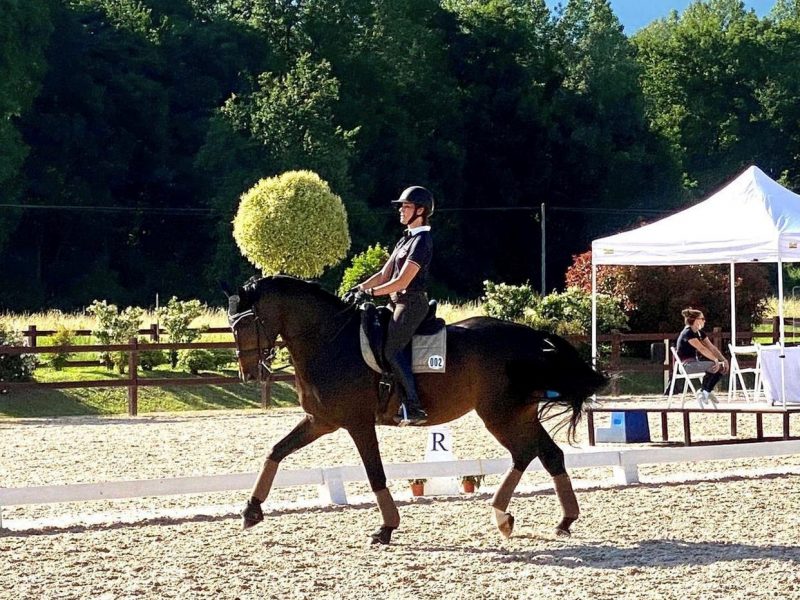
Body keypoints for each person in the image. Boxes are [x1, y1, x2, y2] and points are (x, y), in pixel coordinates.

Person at [355, 186, 434, 426]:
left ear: (420, 211)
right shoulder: (405, 240)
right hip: (396, 302)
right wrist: (359, 288)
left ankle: (414, 406)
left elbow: (402, 282)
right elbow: (384, 274)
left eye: (406, 206)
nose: (401, 210)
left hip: (411, 304)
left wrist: (372, 293)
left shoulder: (422, 241)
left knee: (391, 350)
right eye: (401, 206)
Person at [675, 308, 729, 406]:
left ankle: (706, 391)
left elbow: (712, 348)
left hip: (695, 363)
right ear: (695, 320)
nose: (704, 321)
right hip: (686, 366)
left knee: (722, 367)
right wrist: (715, 360)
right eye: (702, 319)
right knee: (716, 366)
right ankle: (705, 391)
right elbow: (701, 348)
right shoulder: (687, 333)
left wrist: (723, 359)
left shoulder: (700, 333)